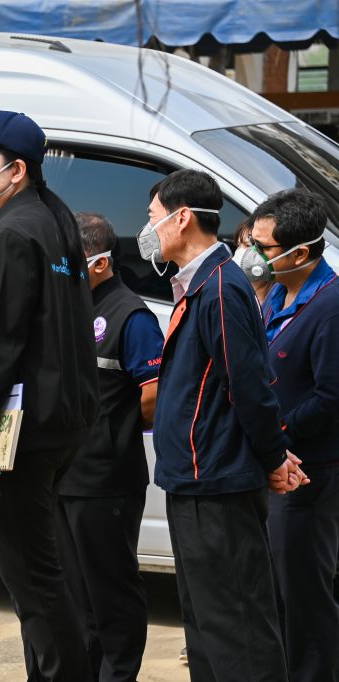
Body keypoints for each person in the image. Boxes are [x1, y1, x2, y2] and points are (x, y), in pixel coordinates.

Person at [0, 110, 99, 681]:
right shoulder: (52, 219)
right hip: (60, 423)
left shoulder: (10, 232)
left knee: (34, 583)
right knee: (47, 573)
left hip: (18, 432)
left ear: (17, 168)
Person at [136, 168, 307, 681]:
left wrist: (274, 456)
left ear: (182, 217)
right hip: (191, 478)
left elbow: (248, 386)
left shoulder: (221, 288)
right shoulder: (199, 285)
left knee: (238, 629)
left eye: (153, 218)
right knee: (206, 626)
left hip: (217, 481)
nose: (148, 230)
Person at [54, 212, 162, 681]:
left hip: (106, 480)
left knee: (111, 593)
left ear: (98, 263)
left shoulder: (130, 315)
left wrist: (112, 431)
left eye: (68, 260)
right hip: (63, 476)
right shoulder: (68, 307)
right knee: (75, 596)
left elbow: (154, 394)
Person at [243, 188, 338, 682]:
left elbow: (330, 397)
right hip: (272, 465)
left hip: (308, 474)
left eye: (262, 247)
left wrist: (277, 433)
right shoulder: (277, 293)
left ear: (300, 252)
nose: (253, 256)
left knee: (304, 591)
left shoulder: (331, 305)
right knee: (275, 589)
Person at [231, 218, 271, 305]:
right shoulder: (233, 294)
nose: (240, 251)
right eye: (238, 245)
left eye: (247, 245)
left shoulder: (278, 297)